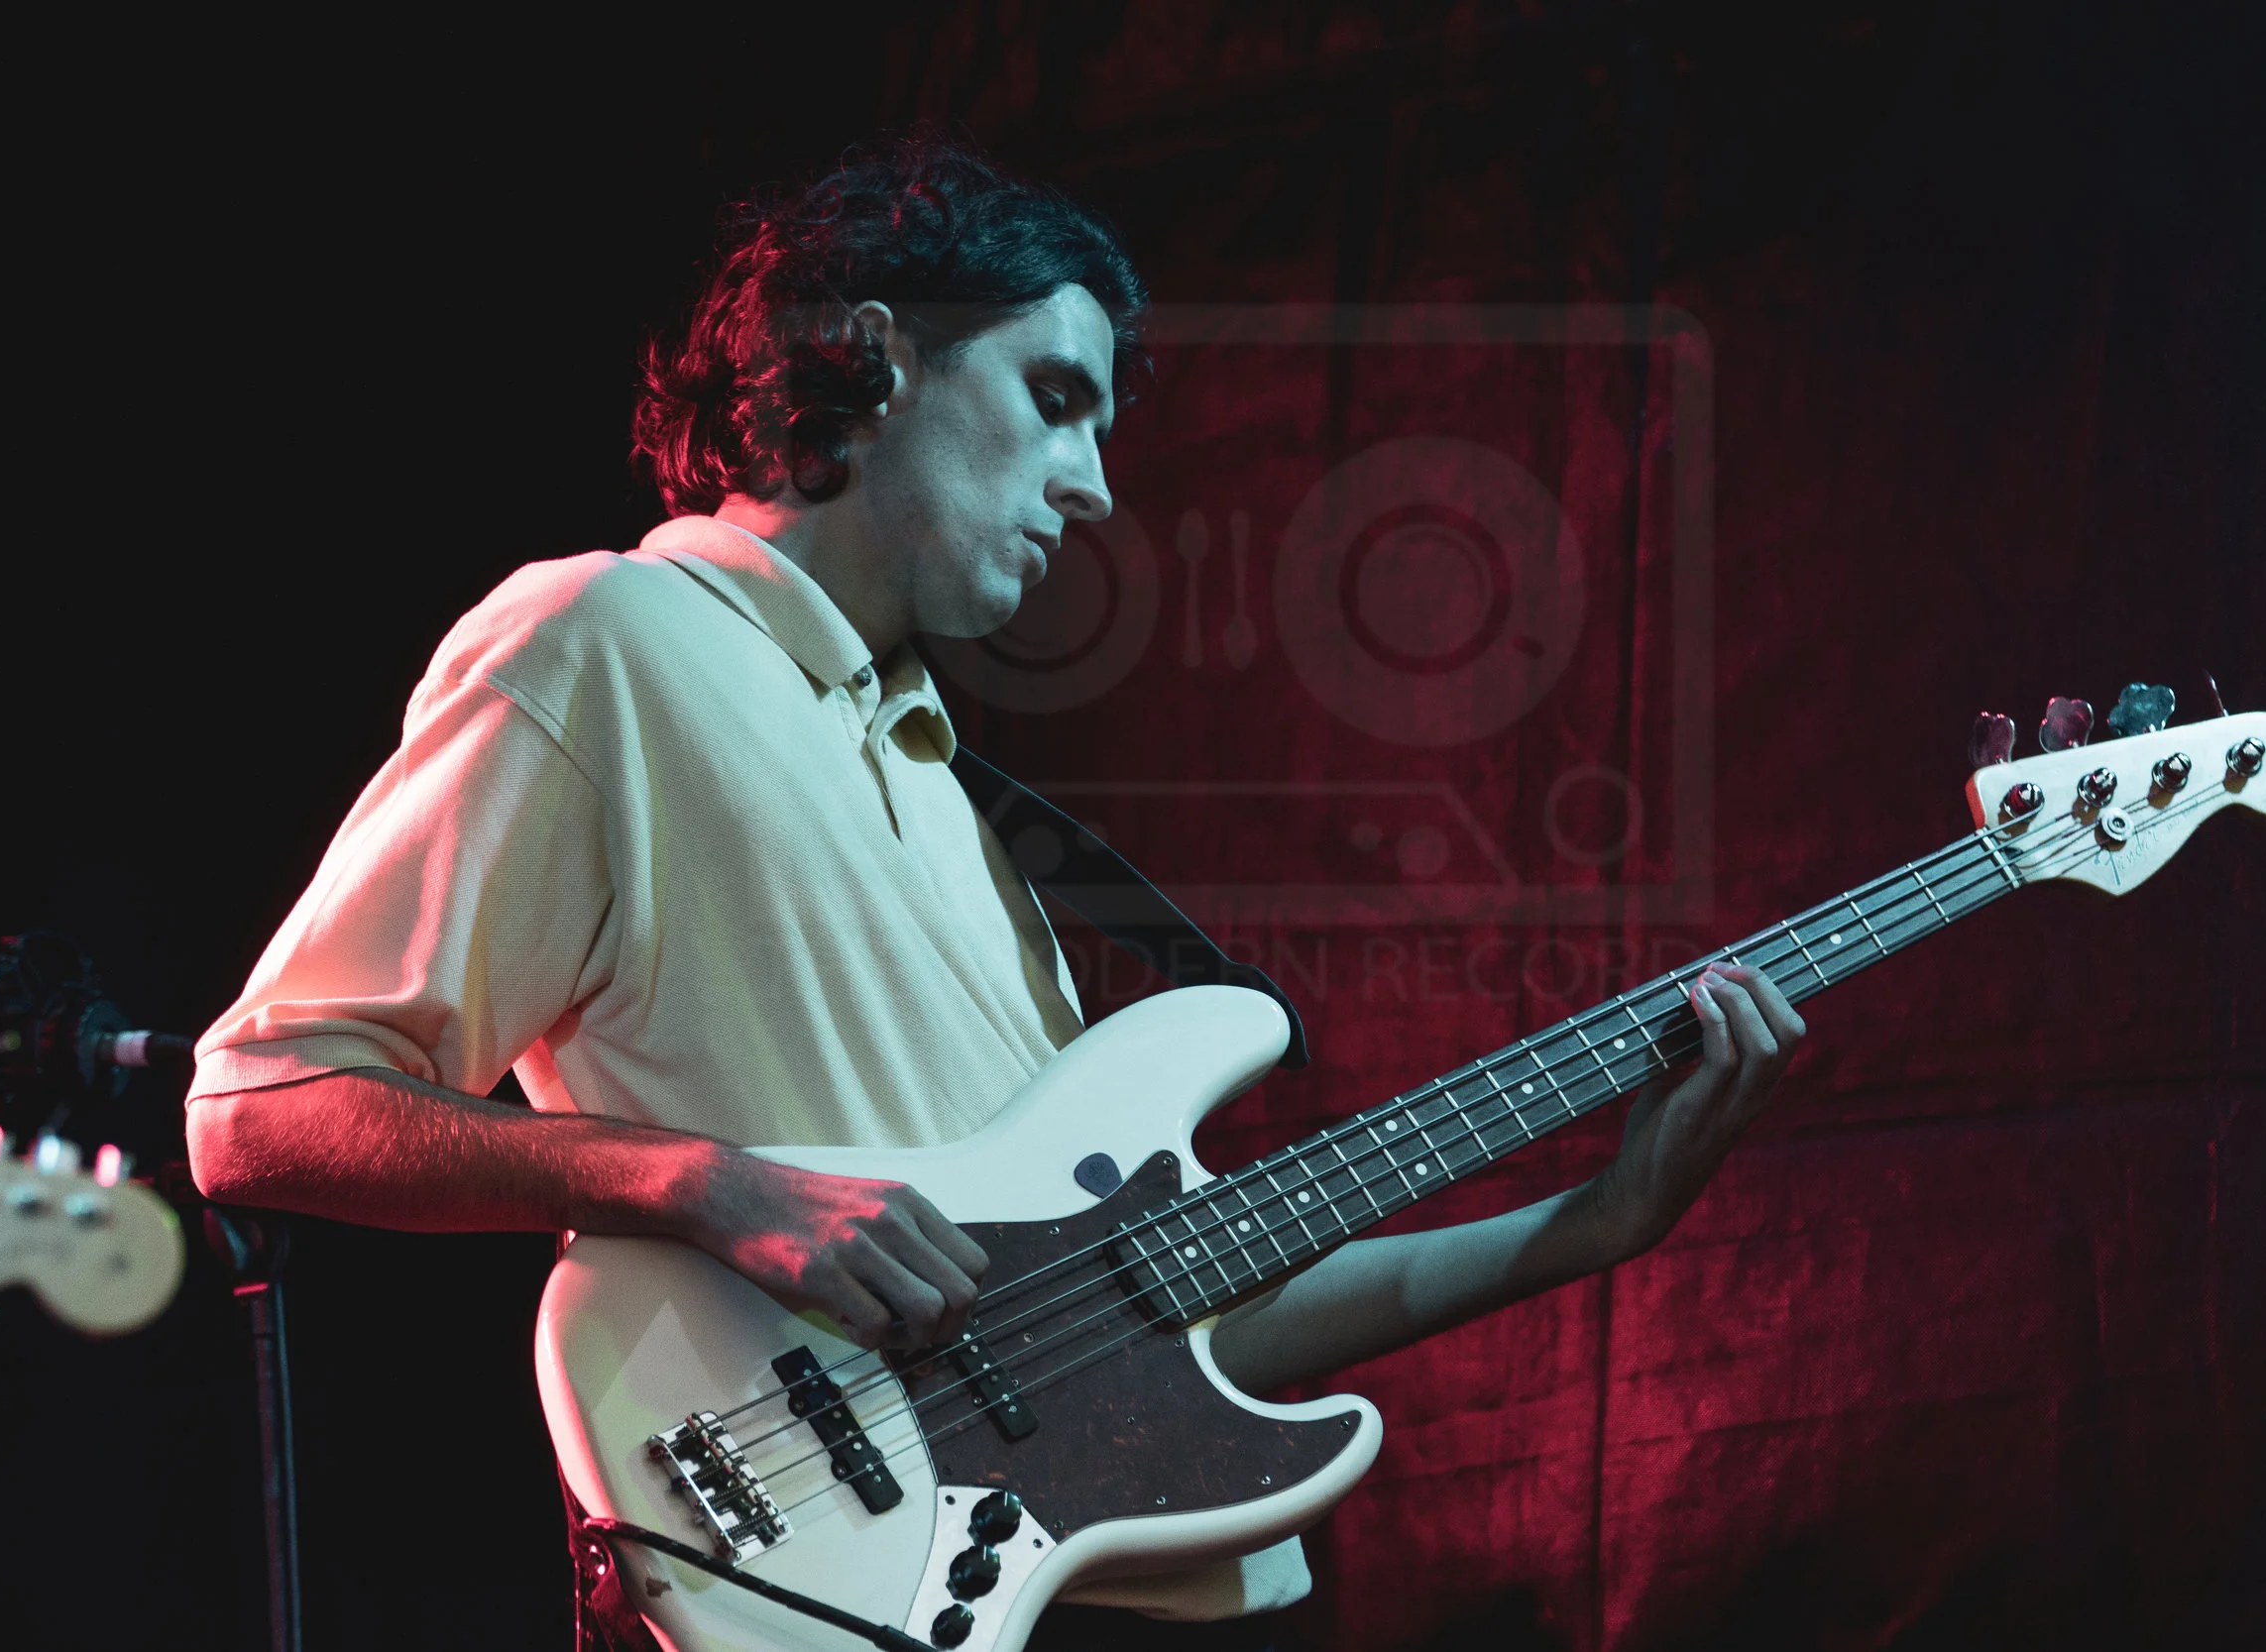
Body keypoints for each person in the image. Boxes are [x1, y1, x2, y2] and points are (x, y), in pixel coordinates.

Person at [183, 134, 1804, 1651]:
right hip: (821, 1567)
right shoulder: (611, 640)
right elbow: (259, 1106)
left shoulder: (951, 793)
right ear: (877, 359)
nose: (1093, 484)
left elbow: (1142, 1338)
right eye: (1054, 397)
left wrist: (1595, 1223)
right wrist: (714, 1187)